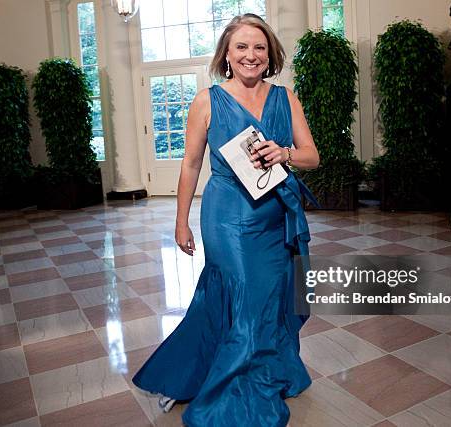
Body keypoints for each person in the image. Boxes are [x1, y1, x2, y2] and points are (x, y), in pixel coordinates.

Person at [133, 13, 320, 427]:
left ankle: (245, 368)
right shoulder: (207, 100)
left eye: (259, 47)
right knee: (243, 295)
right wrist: (181, 223)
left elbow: (312, 155)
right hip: (227, 216)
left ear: (269, 54)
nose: (251, 55)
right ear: (227, 55)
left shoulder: (285, 98)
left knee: (269, 297)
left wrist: (284, 152)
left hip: (275, 217)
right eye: (241, 47)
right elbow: (190, 166)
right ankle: (233, 388)